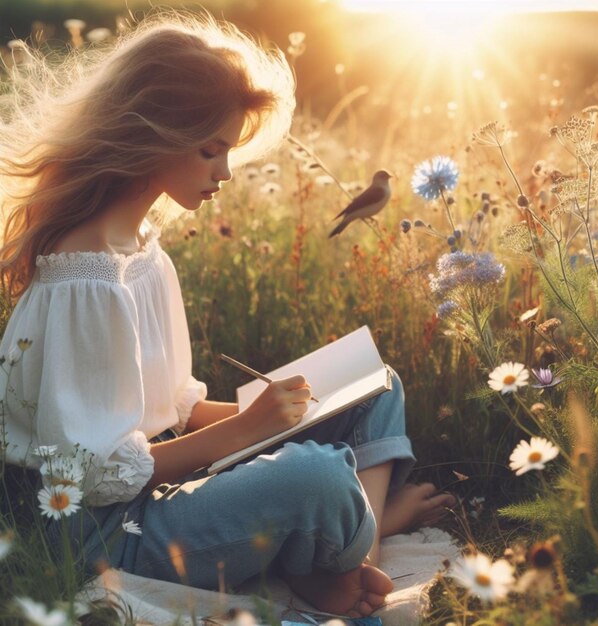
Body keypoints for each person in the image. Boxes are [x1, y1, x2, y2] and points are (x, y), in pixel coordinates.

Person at [0, 10, 455, 617]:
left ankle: (349, 547)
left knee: (372, 387)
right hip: (112, 534)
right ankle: (354, 550)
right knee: (313, 477)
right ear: (152, 134)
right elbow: (96, 477)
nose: (225, 172)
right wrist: (251, 429)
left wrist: (290, 412)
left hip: (162, 484)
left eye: (229, 150)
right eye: (210, 150)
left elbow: (178, 411)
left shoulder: (142, 251)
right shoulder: (85, 279)